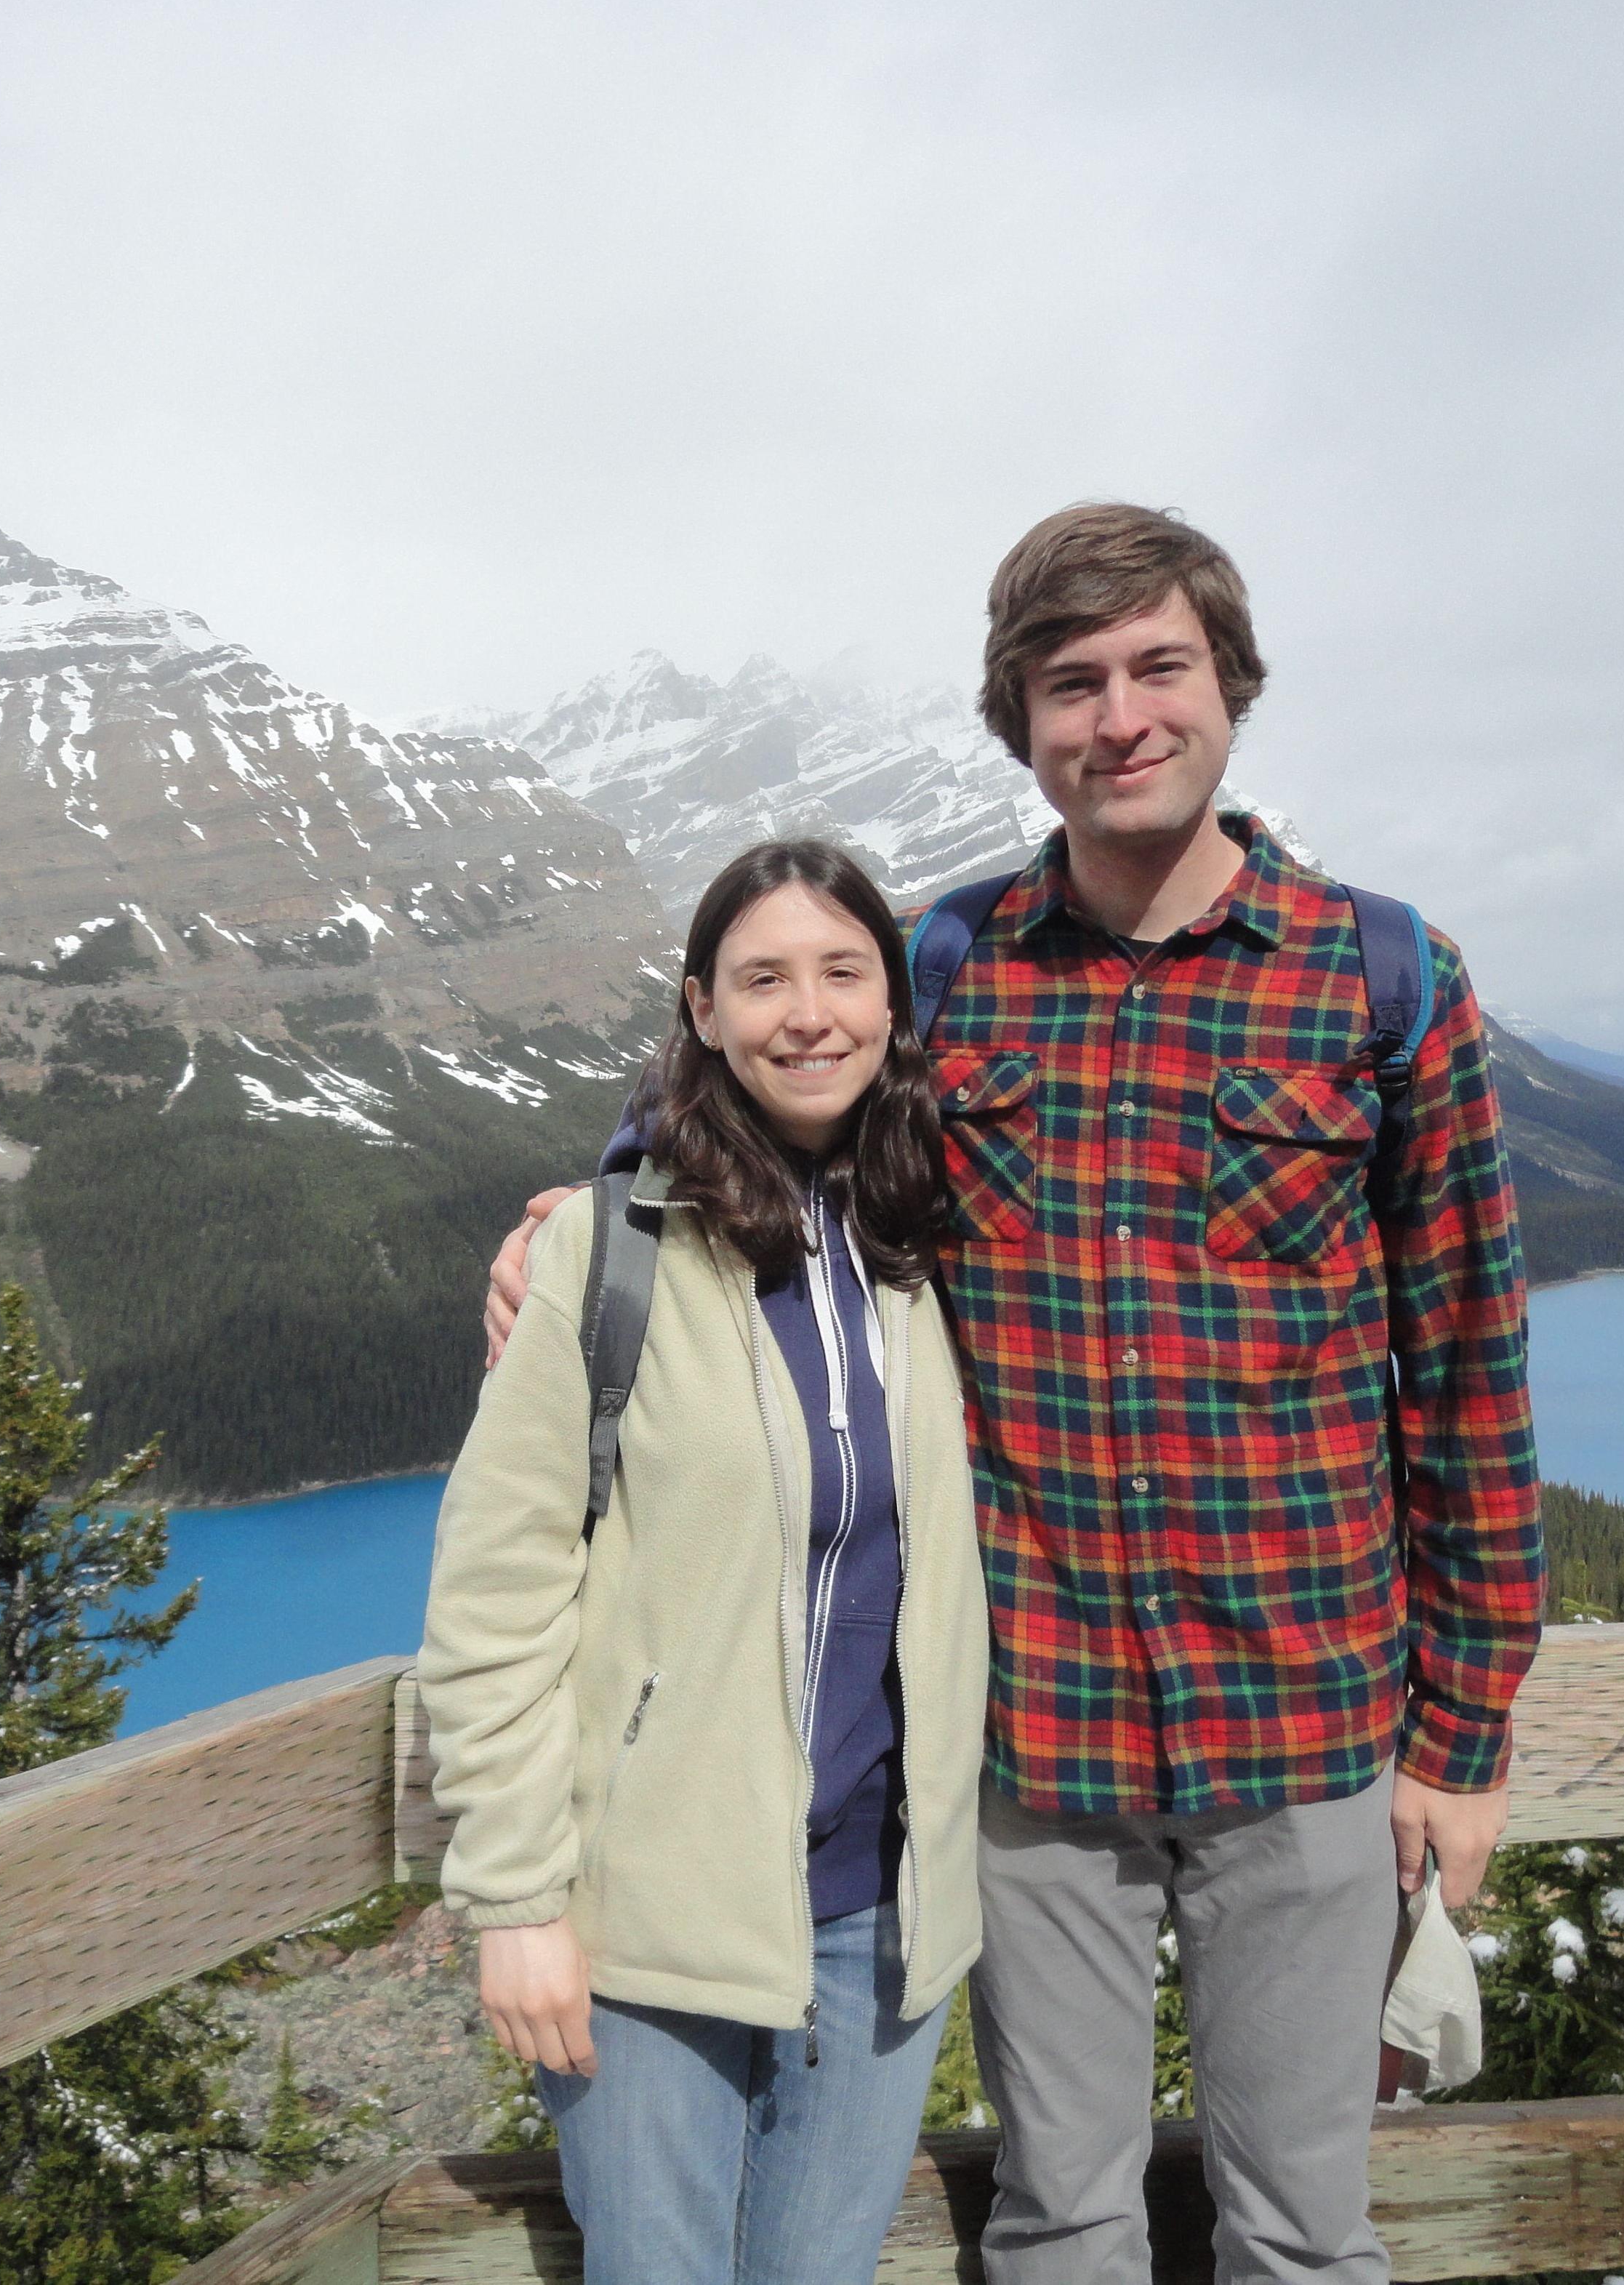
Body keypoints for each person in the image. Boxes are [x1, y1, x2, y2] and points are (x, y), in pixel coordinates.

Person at [487, 505, 1545, 2282]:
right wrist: (586, 1196)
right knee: (1063, 2219)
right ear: (1023, 720)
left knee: (1305, 2229)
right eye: (1073, 683)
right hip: (1033, 1738)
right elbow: (767, 1072)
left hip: (1302, 1714)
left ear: (1229, 687)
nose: (1119, 715)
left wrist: (1466, 1728)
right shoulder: (956, 963)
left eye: (1157, 669)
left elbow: (1470, 1368)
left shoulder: (1380, 977)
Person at [421, 838, 989, 2285]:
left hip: (874, 1914)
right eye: (764, 978)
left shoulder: (917, 1242)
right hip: (649, 1919)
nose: (809, 1012)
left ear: (892, 1007)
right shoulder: (612, 1252)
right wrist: (518, 1906)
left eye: (843, 972)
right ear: (703, 1008)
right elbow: (495, 1601)